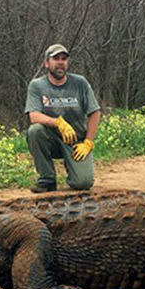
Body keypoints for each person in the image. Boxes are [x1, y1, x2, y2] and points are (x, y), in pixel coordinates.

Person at [24, 44, 102, 193]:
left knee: (83, 183)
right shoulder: (37, 85)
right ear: (46, 63)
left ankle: (75, 173)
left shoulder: (80, 83)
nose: (60, 62)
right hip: (51, 139)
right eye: (56, 58)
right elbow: (34, 116)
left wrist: (88, 142)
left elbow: (95, 112)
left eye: (64, 59)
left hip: (76, 142)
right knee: (35, 131)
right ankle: (47, 180)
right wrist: (58, 123)